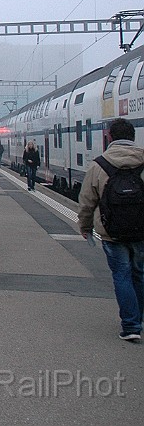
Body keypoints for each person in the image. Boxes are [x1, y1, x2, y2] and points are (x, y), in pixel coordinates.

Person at [78, 118, 144, 343]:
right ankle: (138, 319)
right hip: (141, 231)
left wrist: (85, 226)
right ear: (133, 137)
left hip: (111, 231)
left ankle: (131, 325)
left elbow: (87, 200)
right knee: (140, 273)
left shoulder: (99, 165)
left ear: (110, 137)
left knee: (122, 275)